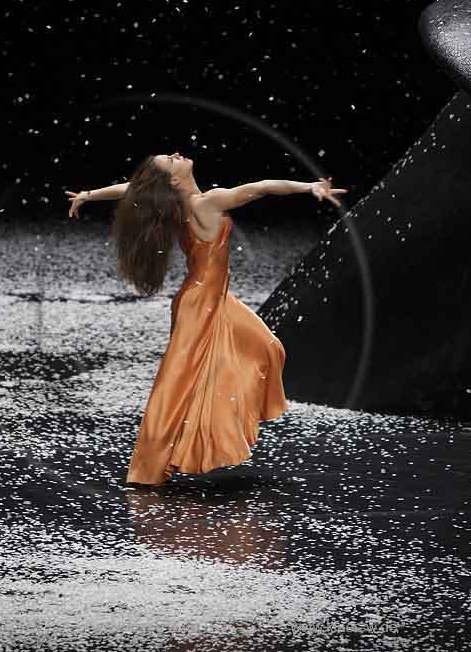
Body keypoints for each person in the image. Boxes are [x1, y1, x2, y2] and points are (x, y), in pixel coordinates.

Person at [65, 152, 346, 486]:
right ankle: (147, 469)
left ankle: (222, 420)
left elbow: (131, 190)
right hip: (198, 304)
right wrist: (308, 187)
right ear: (173, 179)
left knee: (267, 347)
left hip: (216, 299)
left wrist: (89, 195)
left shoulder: (174, 203)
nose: (175, 154)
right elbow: (260, 188)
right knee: (176, 383)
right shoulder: (206, 203)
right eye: (170, 161)